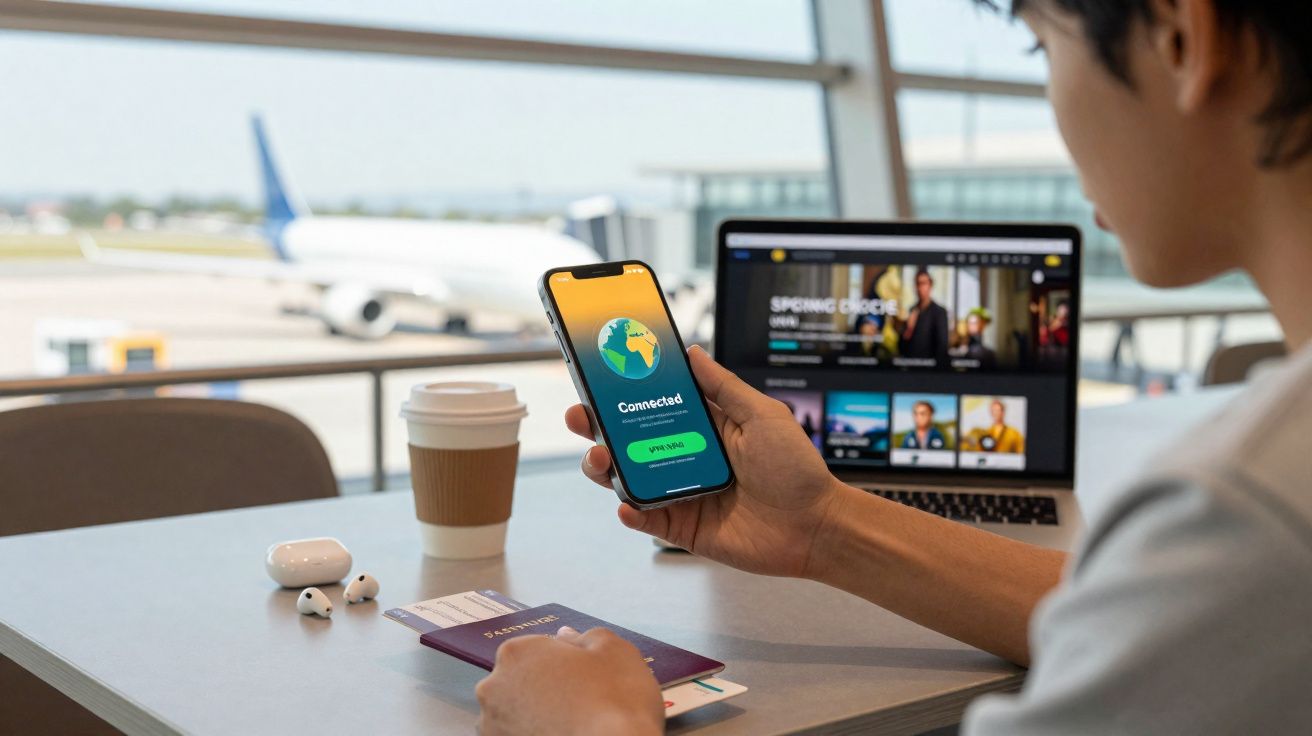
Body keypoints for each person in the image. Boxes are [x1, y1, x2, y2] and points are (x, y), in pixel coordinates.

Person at [474, 1, 1312, 733]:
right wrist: (823, 528)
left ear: (1180, 35)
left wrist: (589, 729)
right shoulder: (1240, 540)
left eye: (1041, 48)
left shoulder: (1248, 515)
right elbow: (1153, 622)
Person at [898, 268, 949, 363]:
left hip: (930, 369)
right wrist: (908, 329)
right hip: (911, 366)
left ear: (930, 285)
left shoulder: (939, 312)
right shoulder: (912, 310)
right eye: (917, 284)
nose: (920, 288)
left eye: (923, 283)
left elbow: (942, 346)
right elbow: (902, 347)